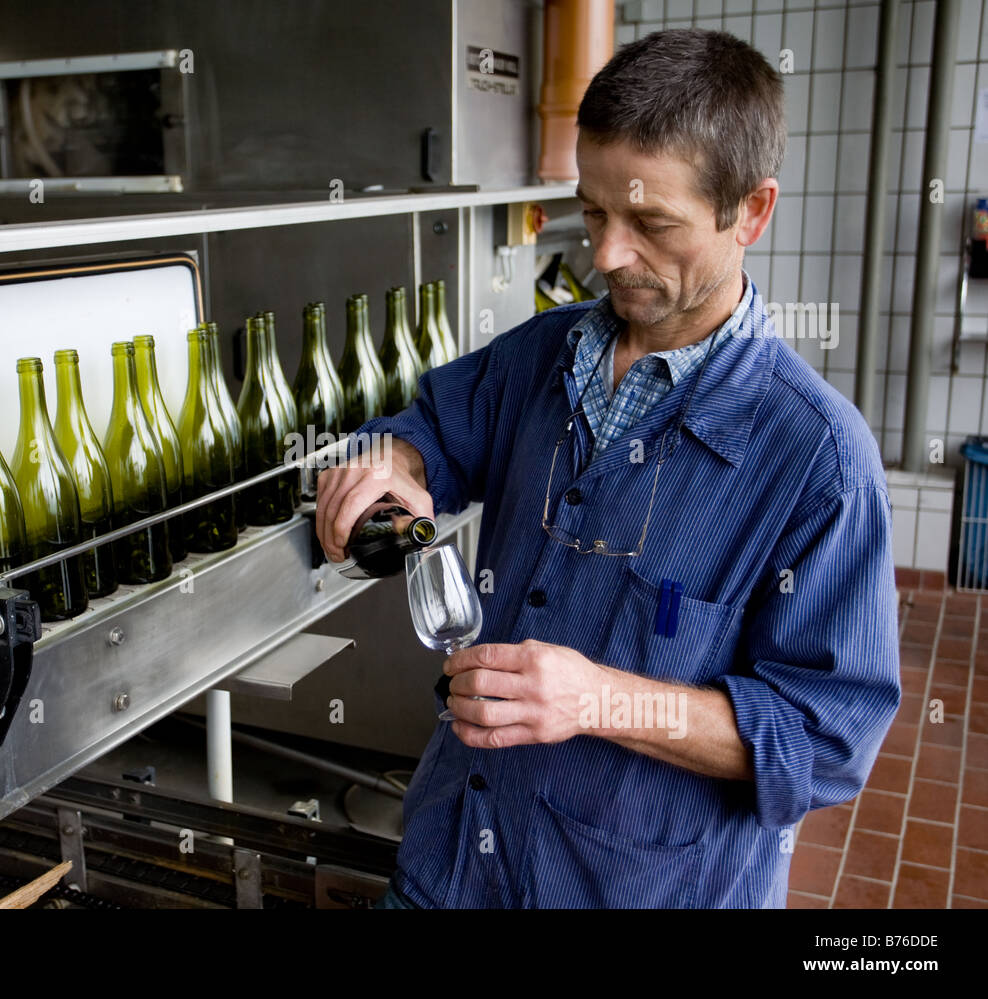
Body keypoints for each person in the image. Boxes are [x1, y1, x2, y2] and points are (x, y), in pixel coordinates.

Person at [316, 28, 901, 909]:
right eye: (592, 213)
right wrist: (389, 459)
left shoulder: (818, 457)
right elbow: (427, 427)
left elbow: (826, 738)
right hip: (449, 871)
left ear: (752, 210)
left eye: (651, 222)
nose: (608, 255)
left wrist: (603, 700)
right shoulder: (542, 357)